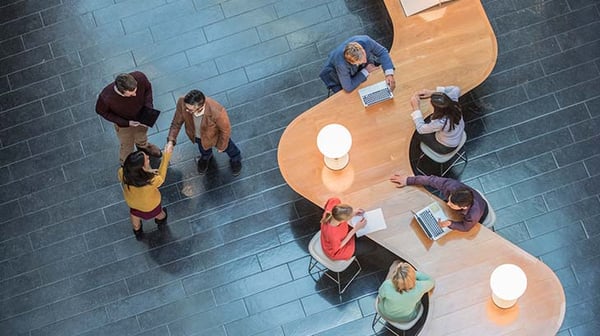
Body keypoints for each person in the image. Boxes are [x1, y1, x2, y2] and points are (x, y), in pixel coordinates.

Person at [167, 90, 242, 176]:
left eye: (190, 110)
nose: (186, 110)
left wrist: (222, 146)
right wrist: (171, 141)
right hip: (198, 136)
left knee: (229, 148)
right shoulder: (182, 102)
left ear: (201, 107)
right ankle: (206, 156)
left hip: (215, 136)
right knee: (203, 148)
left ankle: (236, 158)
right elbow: (176, 123)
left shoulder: (217, 111)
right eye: (186, 108)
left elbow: (225, 131)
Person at [96, 72, 162, 164]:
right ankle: (126, 161)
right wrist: (126, 123)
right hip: (124, 125)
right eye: (131, 94)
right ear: (121, 92)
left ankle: (143, 146)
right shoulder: (106, 97)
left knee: (142, 134)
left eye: (136, 90)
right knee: (127, 144)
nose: (135, 95)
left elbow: (147, 89)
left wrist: (148, 108)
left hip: (142, 116)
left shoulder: (140, 77)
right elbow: (102, 112)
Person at [390, 173, 488, 232]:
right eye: (449, 199)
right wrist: (408, 180)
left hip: (480, 214)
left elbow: (465, 227)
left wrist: (450, 223)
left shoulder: (473, 215)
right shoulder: (452, 186)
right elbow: (431, 180)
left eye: (452, 204)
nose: (448, 203)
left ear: (464, 207)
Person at [118, 142, 173, 239]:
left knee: (135, 218)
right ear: (142, 168)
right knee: (160, 214)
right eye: (147, 159)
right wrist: (166, 155)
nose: (148, 157)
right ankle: (161, 221)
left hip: (133, 205)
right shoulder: (152, 180)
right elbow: (161, 177)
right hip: (151, 207)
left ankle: (137, 231)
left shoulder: (122, 173)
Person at [319, 35, 396, 93]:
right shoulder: (341, 64)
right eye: (361, 61)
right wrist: (366, 71)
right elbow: (348, 87)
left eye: (364, 56)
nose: (365, 61)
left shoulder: (366, 41)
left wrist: (389, 74)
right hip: (335, 77)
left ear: (362, 49)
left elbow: (382, 52)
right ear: (352, 62)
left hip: (356, 69)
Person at [409, 85, 464, 154]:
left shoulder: (440, 122)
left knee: (414, 131)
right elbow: (456, 89)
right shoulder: (453, 102)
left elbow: (420, 129)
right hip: (456, 134)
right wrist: (433, 93)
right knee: (425, 121)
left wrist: (416, 108)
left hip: (446, 146)